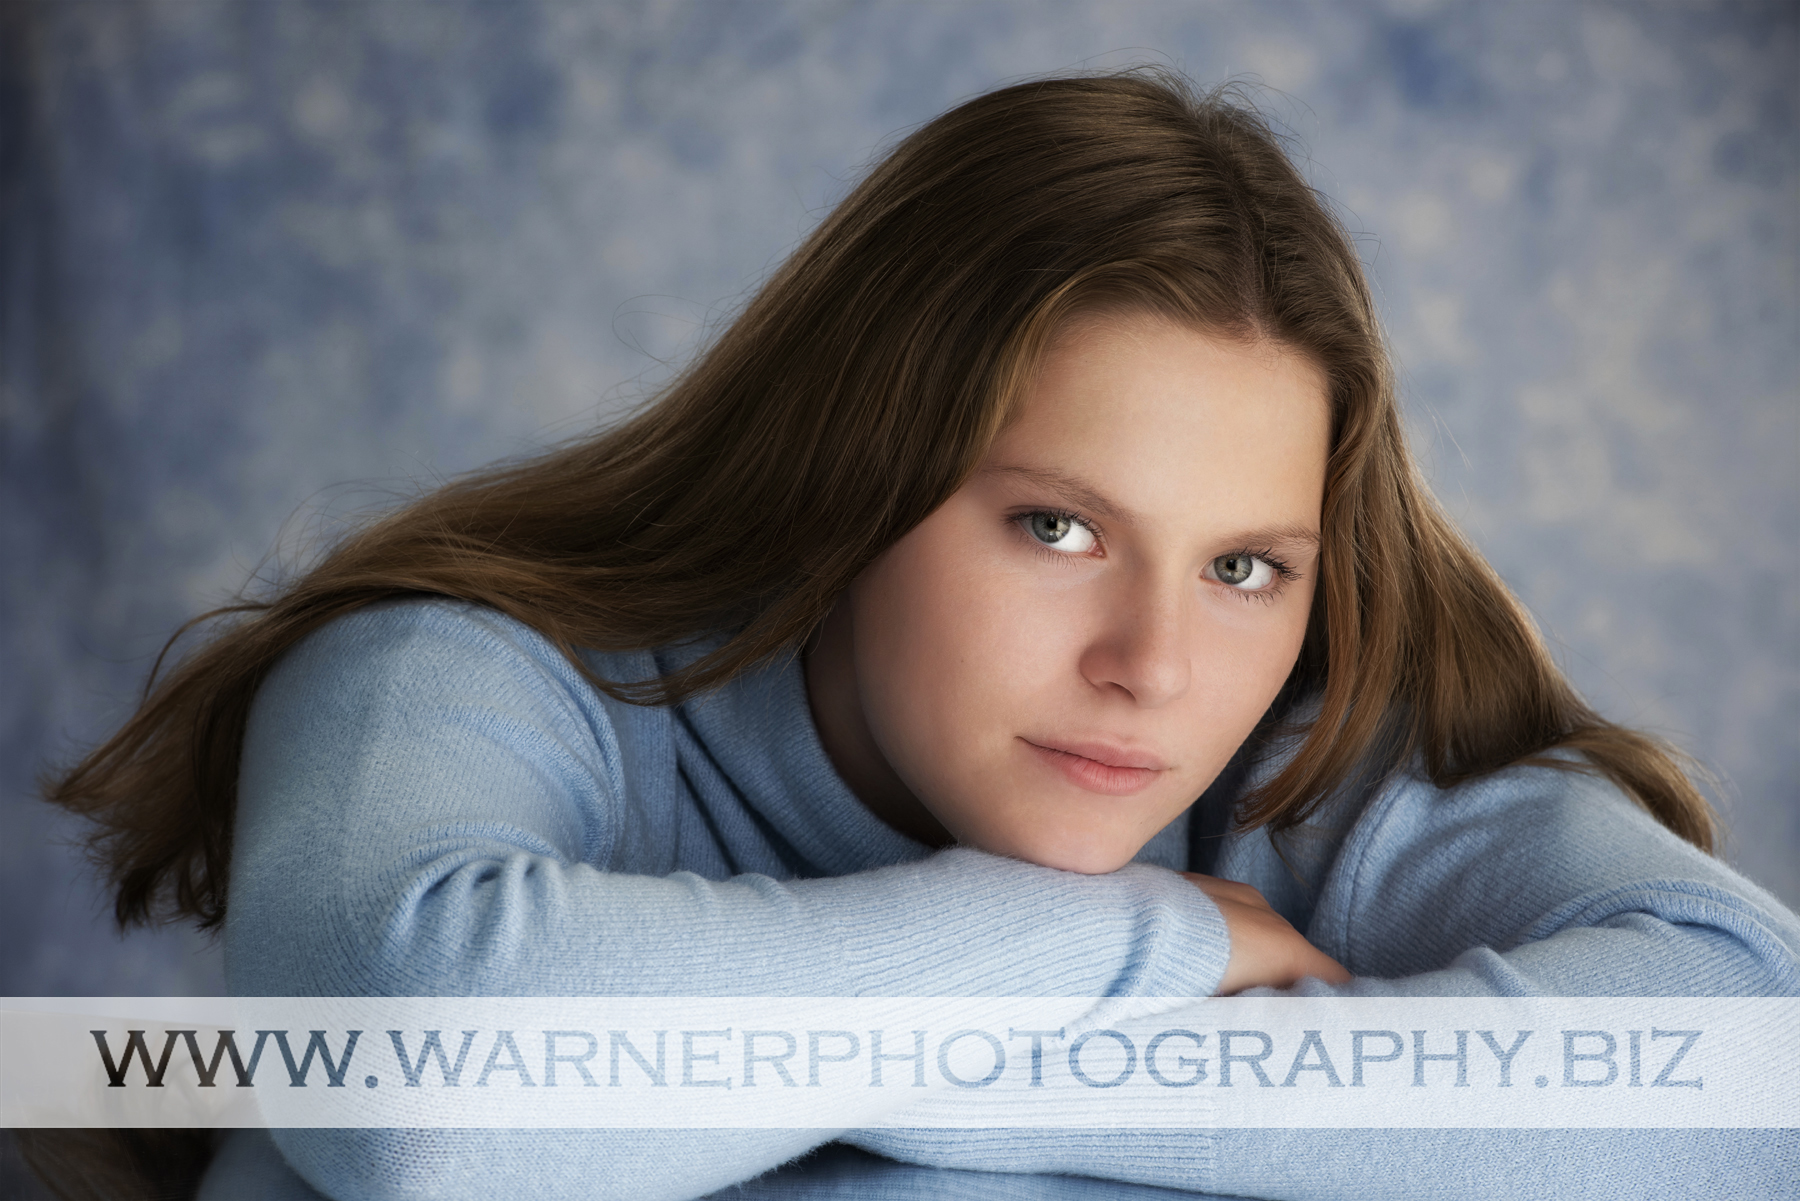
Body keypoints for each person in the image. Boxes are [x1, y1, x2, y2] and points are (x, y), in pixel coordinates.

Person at [42, 70, 1799, 1200]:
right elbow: (420, 1092)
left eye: (1247, 566)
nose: (1157, 665)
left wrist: (859, 1072)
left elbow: (1745, 1073)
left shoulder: (1301, 756)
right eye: (1055, 526)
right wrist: (1150, 937)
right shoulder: (470, 675)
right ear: (851, 476)